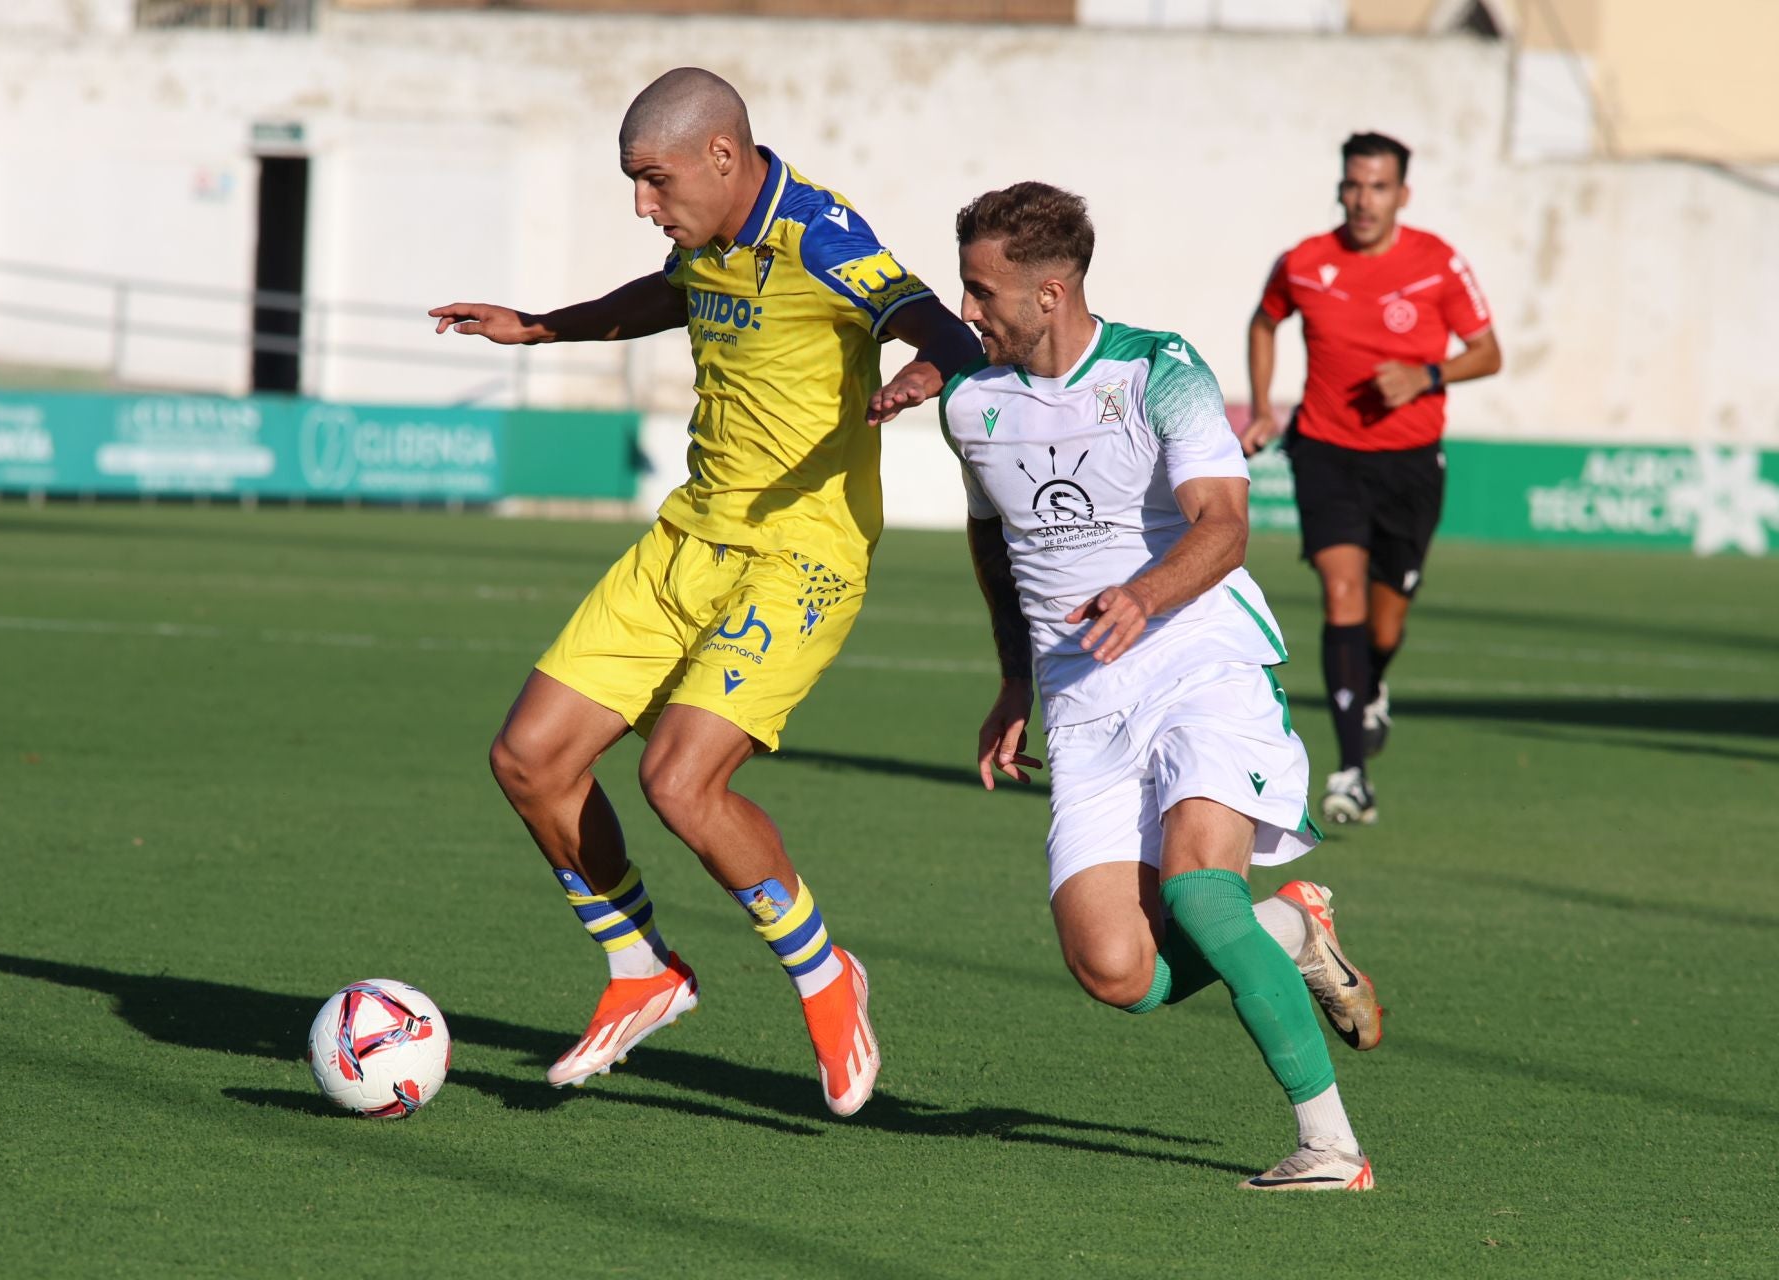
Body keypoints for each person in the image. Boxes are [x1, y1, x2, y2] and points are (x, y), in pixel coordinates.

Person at [429, 68, 978, 1117]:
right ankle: (643, 967)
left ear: (722, 158)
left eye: (654, 180)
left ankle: (825, 975)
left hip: (801, 552)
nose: (645, 205)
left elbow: (923, 313)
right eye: (636, 183)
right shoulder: (703, 236)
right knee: (529, 759)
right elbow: (671, 294)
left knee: (679, 780)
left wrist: (934, 367)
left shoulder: (820, 234)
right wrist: (543, 327)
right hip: (689, 536)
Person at [941, 181, 1384, 1190]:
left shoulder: (1157, 368)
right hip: (1082, 699)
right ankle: (1290, 928)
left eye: (982, 289)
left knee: (1197, 885)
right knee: (1117, 971)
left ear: (1049, 294)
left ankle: (1332, 1146)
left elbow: (1224, 524)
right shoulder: (971, 401)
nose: (968, 308)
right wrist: (1016, 677)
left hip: (1199, 661)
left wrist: (1143, 595)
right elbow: (990, 535)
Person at [1242, 131, 1501, 824]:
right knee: (1341, 592)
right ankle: (1351, 769)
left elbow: (1488, 351)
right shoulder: (1305, 262)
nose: (1363, 199)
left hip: (1411, 465)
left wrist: (1428, 374)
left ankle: (1373, 685)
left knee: (1385, 625)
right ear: (1341, 187)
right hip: (1325, 453)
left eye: (1378, 186)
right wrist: (1265, 406)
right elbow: (1265, 323)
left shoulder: (1438, 263)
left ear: (1401, 194)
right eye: (1354, 184)